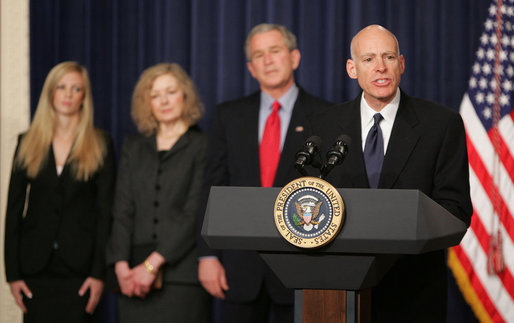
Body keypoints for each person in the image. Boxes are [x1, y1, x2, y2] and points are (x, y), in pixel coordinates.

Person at [309, 25, 473, 322]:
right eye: (369, 59)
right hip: (339, 291)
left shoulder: (441, 124)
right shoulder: (323, 126)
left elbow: (456, 209)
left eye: (389, 57)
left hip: (415, 291)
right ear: (352, 68)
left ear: (402, 63)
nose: (381, 67)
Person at [197, 23, 334, 323]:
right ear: (250, 67)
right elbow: (213, 187)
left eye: (275, 51)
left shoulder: (326, 116)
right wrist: (207, 255)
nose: (268, 60)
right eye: (259, 55)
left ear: (294, 58)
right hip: (240, 266)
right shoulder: (228, 115)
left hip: (303, 265)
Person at [4, 61, 116, 322]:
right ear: (50, 93)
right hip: (35, 268)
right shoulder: (27, 142)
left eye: (76, 88)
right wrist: (13, 274)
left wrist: (98, 273)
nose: (68, 94)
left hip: (80, 270)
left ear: (84, 97)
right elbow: (12, 211)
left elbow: (107, 212)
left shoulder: (100, 143)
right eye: (62, 87)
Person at [106, 63, 209, 323]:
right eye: (154, 95)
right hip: (132, 280)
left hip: (182, 278)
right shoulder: (134, 146)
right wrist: (120, 266)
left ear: (185, 95)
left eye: (171, 91)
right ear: (146, 102)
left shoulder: (203, 145)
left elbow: (194, 212)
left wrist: (152, 265)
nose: (163, 100)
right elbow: (122, 210)